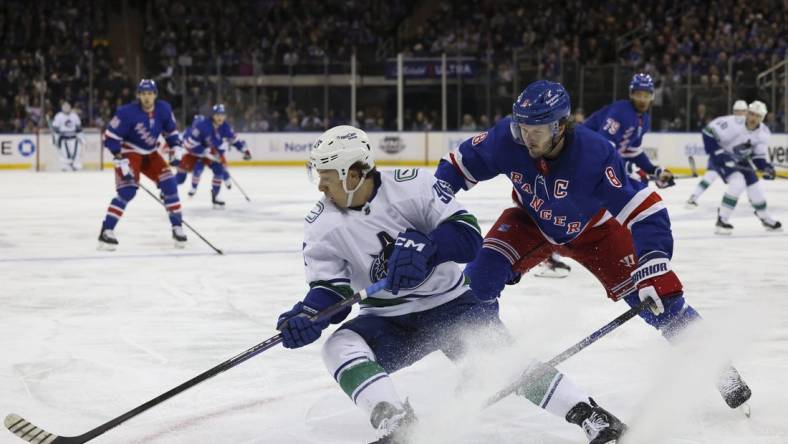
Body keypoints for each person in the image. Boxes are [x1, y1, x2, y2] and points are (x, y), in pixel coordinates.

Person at [276, 125, 627, 444]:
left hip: (450, 304)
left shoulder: (412, 184)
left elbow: (467, 235)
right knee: (338, 346)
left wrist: (429, 248)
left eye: (326, 176)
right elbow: (332, 288)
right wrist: (310, 313)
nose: (320, 186)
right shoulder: (321, 224)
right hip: (387, 321)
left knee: (500, 359)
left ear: (353, 174)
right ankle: (396, 422)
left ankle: (591, 415)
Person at [435, 79, 752, 412]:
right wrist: (435, 195)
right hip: (531, 222)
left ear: (559, 127)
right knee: (475, 286)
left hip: (597, 234)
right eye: (521, 127)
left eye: (536, 130)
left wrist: (654, 261)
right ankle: (481, 362)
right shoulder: (508, 137)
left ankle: (720, 369)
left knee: (663, 302)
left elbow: (646, 209)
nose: (526, 137)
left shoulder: (595, 154)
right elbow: (459, 164)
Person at [98, 79, 187, 250]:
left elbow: (170, 130)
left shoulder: (164, 109)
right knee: (127, 191)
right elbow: (109, 136)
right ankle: (106, 230)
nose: (147, 97)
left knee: (170, 185)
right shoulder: (126, 112)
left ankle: (177, 227)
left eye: (150, 93)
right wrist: (118, 157)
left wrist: (176, 146)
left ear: (155, 95)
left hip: (151, 152)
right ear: (138, 95)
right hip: (129, 153)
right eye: (143, 93)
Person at [701, 101, 782, 234]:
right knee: (737, 183)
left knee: (755, 188)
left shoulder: (764, 133)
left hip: (740, 160)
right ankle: (722, 219)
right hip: (721, 158)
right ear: (747, 113)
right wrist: (718, 153)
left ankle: (766, 218)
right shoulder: (732, 123)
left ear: (762, 118)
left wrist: (766, 167)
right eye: (751, 114)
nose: (753, 118)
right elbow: (708, 132)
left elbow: (758, 156)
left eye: (757, 116)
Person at [583, 73, 675, 189]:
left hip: (597, 161)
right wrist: (627, 167)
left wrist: (655, 171)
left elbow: (633, 153)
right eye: (638, 95)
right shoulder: (620, 111)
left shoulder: (644, 120)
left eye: (646, 96)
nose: (642, 100)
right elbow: (602, 148)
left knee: (640, 183)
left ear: (652, 96)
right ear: (631, 94)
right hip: (582, 155)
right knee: (636, 183)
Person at [177, 104, 251, 206]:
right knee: (181, 176)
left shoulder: (225, 127)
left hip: (209, 152)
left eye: (222, 114)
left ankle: (215, 196)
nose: (220, 117)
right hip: (193, 153)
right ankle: (168, 189)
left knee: (219, 169)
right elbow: (189, 144)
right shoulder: (202, 126)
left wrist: (244, 150)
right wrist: (205, 152)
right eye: (217, 115)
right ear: (212, 116)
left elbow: (233, 139)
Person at [685, 100, 747, 207]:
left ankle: (694, 198)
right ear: (733, 112)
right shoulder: (727, 122)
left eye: (742, 112)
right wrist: (717, 151)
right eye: (738, 112)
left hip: (729, 156)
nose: (740, 115)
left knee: (717, 176)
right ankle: (694, 198)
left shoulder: (747, 125)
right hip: (720, 155)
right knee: (713, 176)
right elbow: (707, 132)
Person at [51, 101, 83, 171]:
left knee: (76, 152)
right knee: (64, 153)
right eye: (65, 107)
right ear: (62, 108)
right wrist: (55, 138)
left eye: (68, 107)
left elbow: (78, 128)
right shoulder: (58, 116)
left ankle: (76, 165)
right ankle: (65, 166)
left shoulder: (74, 115)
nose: (66, 108)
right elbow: (55, 128)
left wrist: (81, 137)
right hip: (63, 138)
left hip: (74, 138)